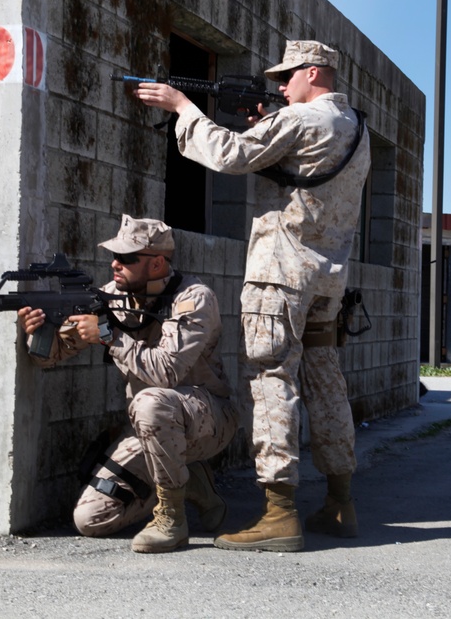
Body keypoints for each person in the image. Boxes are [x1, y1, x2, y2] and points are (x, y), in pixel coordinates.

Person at [133, 40, 371, 552]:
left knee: (270, 380)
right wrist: (268, 120)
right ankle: (340, 500)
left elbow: (229, 155)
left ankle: (280, 514)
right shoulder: (354, 124)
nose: (282, 87)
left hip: (280, 274)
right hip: (327, 275)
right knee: (326, 381)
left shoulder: (303, 121)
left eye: (289, 77)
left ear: (315, 71)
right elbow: (299, 173)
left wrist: (182, 108)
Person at [17, 216, 239, 554]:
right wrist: (37, 334)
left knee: (152, 402)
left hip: (208, 421)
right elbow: (51, 358)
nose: (115, 264)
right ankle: (189, 481)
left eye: (127, 258)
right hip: (149, 431)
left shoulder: (193, 299)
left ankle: (171, 517)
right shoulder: (108, 296)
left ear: (157, 264)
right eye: (114, 256)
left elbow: (166, 373)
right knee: (90, 519)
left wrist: (108, 336)